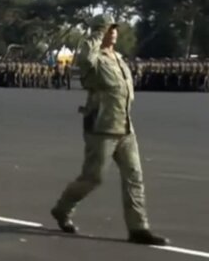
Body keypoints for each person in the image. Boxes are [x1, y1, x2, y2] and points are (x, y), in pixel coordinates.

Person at [51, 14, 169, 246]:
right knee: (93, 177)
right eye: (107, 28)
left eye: (114, 28)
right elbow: (85, 58)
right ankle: (63, 209)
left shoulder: (117, 58)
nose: (113, 31)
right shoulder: (93, 57)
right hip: (101, 126)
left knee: (134, 177)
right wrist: (96, 35)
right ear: (98, 32)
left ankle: (138, 228)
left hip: (125, 127)